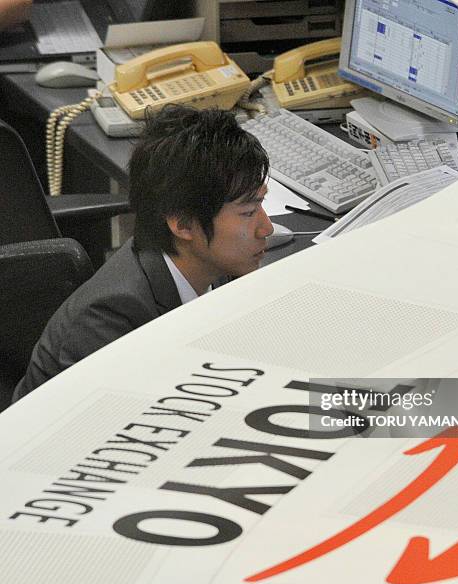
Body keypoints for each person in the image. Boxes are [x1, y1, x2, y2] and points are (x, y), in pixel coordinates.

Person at [12, 105, 272, 402]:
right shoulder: (110, 323)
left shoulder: (215, 270)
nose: (267, 228)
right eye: (249, 212)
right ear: (183, 224)